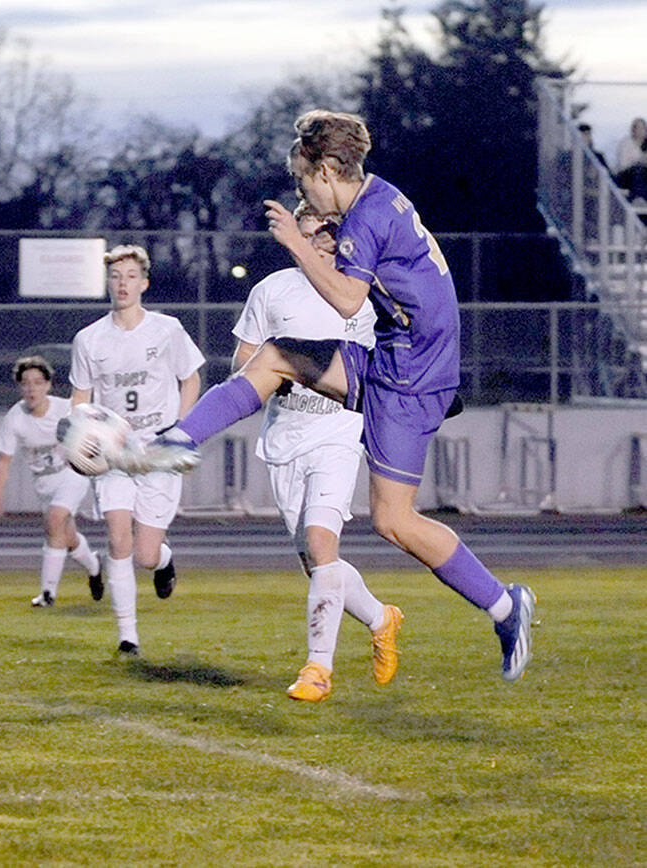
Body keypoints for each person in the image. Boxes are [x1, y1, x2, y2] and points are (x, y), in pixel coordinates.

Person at [155, 109, 535, 683]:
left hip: (410, 374)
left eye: (306, 181)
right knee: (279, 354)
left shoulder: (368, 218)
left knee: (395, 521)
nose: (305, 194)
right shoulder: (378, 199)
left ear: (330, 171)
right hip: (403, 356)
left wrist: (298, 244)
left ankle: (506, 606)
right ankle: (178, 440)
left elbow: (349, 302)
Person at [231, 206, 401, 702]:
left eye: (330, 230)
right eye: (311, 231)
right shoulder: (272, 290)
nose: (323, 238)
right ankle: (380, 616)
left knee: (323, 544)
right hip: (286, 437)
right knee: (316, 563)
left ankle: (317, 670)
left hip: (339, 432)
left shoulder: (361, 293)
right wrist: (278, 375)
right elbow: (245, 359)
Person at [69, 244, 205, 655]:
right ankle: (128, 636)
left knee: (144, 554)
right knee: (117, 539)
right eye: (115, 276)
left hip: (158, 450)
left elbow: (192, 380)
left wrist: (179, 429)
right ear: (107, 283)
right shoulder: (89, 339)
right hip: (116, 453)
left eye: (130, 276)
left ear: (144, 283)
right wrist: (84, 438)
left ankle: (163, 562)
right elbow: (81, 397)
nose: (122, 283)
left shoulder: (167, 329)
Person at [0, 354, 102, 607]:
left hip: (72, 474)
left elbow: (93, 427)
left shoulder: (65, 409)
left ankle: (48, 594)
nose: (32, 389)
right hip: (44, 482)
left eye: (38, 382)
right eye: (26, 383)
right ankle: (94, 566)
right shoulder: (15, 418)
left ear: (48, 385)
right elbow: (4, 460)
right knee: (65, 536)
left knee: (55, 521)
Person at [614, 117, 647, 203]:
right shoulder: (626, 143)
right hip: (626, 175)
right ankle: (638, 198)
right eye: (638, 128)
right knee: (638, 169)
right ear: (633, 130)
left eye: (643, 128)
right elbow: (623, 165)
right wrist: (639, 160)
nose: (641, 130)